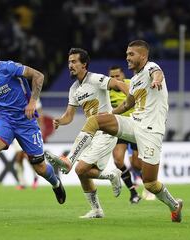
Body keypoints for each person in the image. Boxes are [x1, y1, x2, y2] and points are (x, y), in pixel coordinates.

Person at [46, 40, 183, 222]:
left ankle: (174, 205)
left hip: (151, 131)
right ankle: (69, 160)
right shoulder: (134, 80)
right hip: (134, 123)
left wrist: (157, 80)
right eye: (126, 54)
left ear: (143, 56)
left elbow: (157, 74)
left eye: (131, 54)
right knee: (95, 120)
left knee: (149, 183)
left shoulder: (152, 67)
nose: (127, 57)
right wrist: (110, 114)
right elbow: (128, 104)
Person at [0, 41, 66, 214]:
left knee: (39, 167)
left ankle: (56, 183)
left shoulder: (9, 67)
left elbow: (38, 76)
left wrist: (32, 102)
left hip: (26, 122)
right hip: (5, 121)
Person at [45, 48, 129, 219]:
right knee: (81, 171)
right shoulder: (74, 88)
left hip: (106, 131)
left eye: (74, 62)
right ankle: (99, 205)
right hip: (92, 133)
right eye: (69, 62)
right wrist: (60, 121)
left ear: (84, 64)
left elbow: (119, 84)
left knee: (79, 168)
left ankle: (68, 160)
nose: (70, 65)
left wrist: (133, 98)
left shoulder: (96, 78)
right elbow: (69, 115)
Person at [108, 65, 141, 204]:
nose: (115, 79)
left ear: (123, 76)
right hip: (119, 128)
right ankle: (133, 192)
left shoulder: (131, 85)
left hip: (135, 126)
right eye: (112, 77)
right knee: (118, 160)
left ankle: (145, 179)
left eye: (118, 76)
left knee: (137, 164)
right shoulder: (106, 90)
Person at [13, 99, 43, 190]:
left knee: (28, 156)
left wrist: (39, 130)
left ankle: (35, 177)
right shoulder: (14, 93)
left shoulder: (33, 96)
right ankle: (22, 182)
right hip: (16, 128)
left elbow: (40, 114)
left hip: (30, 130)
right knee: (18, 157)